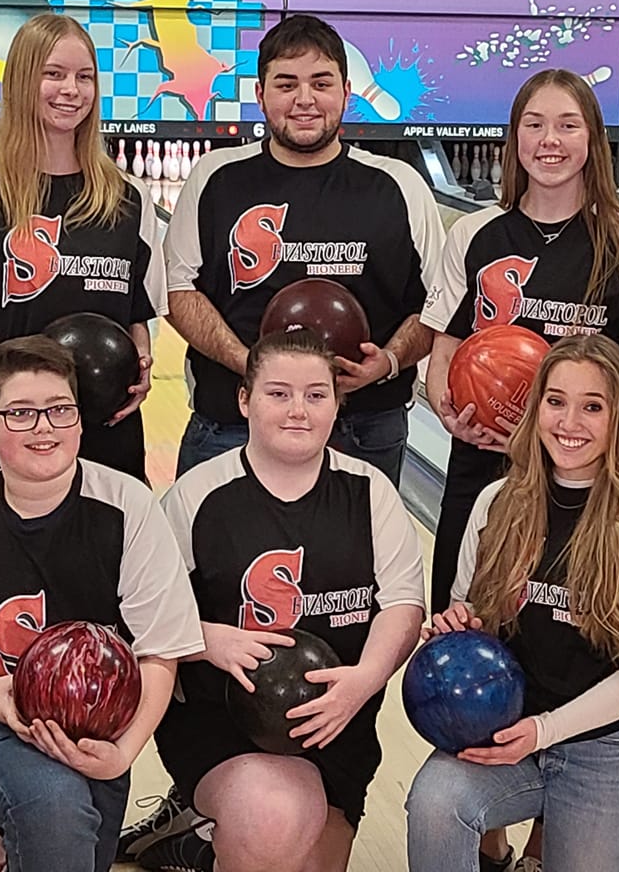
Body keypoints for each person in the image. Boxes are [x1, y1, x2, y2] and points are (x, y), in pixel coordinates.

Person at [0, 336, 204, 872]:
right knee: (56, 810)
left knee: (76, 845)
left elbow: (160, 650)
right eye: (20, 413)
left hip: (98, 728)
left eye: (60, 409)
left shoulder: (128, 506)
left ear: (80, 421)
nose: (44, 427)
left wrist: (122, 753)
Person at [406, 333, 619, 872]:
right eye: (556, 401)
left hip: (605, 748)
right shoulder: (496, 503)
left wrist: (545, 730)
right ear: (535, 407)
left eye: (593, 407)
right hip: (507, 730)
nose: (569, 422)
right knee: (436, 803)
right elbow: (469, 609)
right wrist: (459, 626)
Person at [144, 329, 426, 872]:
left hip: (337, 719)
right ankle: (222, 821)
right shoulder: (196, 496)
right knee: (275, 820)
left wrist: (365, 680)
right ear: (244, 400)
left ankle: (200, 844)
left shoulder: (371, 492)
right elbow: (143, 616)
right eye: (278, 393)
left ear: (336, 404)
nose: (298, 410)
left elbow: (403, 606)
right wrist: (207, 639)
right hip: (222, 724)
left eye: (316, 395)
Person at [424, 67, 619, 612]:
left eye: (568, 125)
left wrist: (564, 430)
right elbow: (443, 358)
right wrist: (451, 414)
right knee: (464, 629)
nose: (550, 140)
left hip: (585, 484)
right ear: (514, 137)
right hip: (483, 470)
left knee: (572, 642)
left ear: (592, 138)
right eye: (534, 124)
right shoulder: (473, 235)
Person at [163, 14, 442, 488]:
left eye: (321, 83)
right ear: (260, 95)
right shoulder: (215, 176)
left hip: (364, 426)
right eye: (286, 84)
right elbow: (175, 289)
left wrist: (389, 361)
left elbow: (439, 302)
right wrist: (254, 368)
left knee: (362, 541)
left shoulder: (400, 185)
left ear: (347, 93)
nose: (305, 99)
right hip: (232, 422)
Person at [0, 13, 161, 480]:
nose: (71, 90)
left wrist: (140, 367)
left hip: (112, 426)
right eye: (53, 74)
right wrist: (15, 385)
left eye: (85, 77)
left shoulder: (129, 197)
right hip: (23, 430)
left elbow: (136, 318)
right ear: (22, 81)